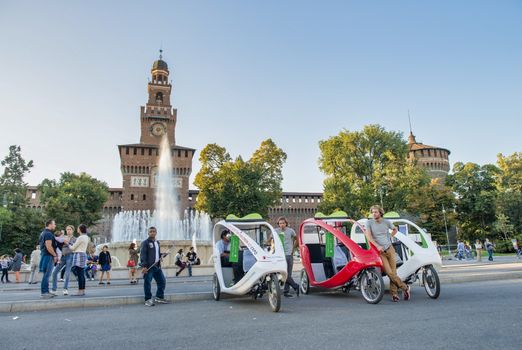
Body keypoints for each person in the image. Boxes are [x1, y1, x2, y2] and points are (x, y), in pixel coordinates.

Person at [365, 205, 411, 302]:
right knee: (389, 272)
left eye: (376, 212)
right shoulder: (369, 223)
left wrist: (390, 236)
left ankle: (394, 294)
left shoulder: (386, 222)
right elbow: (369, 236)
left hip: (390, 249)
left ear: (380, 213)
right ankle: (405, 287)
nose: (374, 214)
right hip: (380, 252)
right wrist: (377, 246)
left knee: (393, 273)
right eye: (372, 212)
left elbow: (395, 229)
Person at [140, 226, 168, 306]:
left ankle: (159, 297)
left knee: (162, 281)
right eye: (151, 231)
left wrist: (162, 255)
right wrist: (144, 266)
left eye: (154, 231)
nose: (152, 233)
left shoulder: (157, 243)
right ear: (148, 233)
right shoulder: (145, 243)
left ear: (156, 233)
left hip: (157, 266)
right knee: (147, 283)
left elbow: (157, 254)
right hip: (149, 267)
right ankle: (147, 299)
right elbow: (143, 255)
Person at [273, 216, 299, 298]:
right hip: (279, 255)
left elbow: (296, 239)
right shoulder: (276, 231)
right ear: (278, 224)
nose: (282, 225)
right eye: (280, 223)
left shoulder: (291, 231)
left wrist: (293, 249)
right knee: (281, 272)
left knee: (288, 273)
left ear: (286, 223)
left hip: (288, 254)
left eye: (283, 223)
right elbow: (271, 239)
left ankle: (286, 291)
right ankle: (295, 286)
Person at [39, 219, 59, 299]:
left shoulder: (43, 233)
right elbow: (48, 246)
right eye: (54, 224)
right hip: (48, 256)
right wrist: (54, 255)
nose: (55, 225)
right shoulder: (48, 234)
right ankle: (44, 292)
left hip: (45, 255)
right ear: (50, 225)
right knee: (47, 275)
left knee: (46, 274)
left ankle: (46, 291)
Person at [69, 224, 90, 296]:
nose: (77, 229)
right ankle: (82, 290)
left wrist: (67, 243)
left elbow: (73, 248)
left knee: (79, 273)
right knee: (81, 273)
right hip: (83, 254)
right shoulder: (86, 237)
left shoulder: (80, 237)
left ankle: (80, 290)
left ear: (80, 229)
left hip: (78, 255)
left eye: (78, 228)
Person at [58, 225, 76, 295]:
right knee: (55, 271)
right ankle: (53, 289)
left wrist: (67, 243)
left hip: (70, 256)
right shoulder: (64, 237)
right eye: (67, 229)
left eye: (70, 229)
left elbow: (74, 247)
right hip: (62, 256)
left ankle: (65, 289)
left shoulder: (75, 238)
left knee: (67, 273)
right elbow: (59, 245)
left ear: (72, 230)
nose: (68, 231)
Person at [51, 229, 67, 294]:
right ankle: (63, 289)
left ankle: (57, 289)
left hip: (63, 254)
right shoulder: (59, 239)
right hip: (62, 254)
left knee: (55, 273)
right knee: (56, 272)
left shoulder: (56, 239)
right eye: (61, 234)